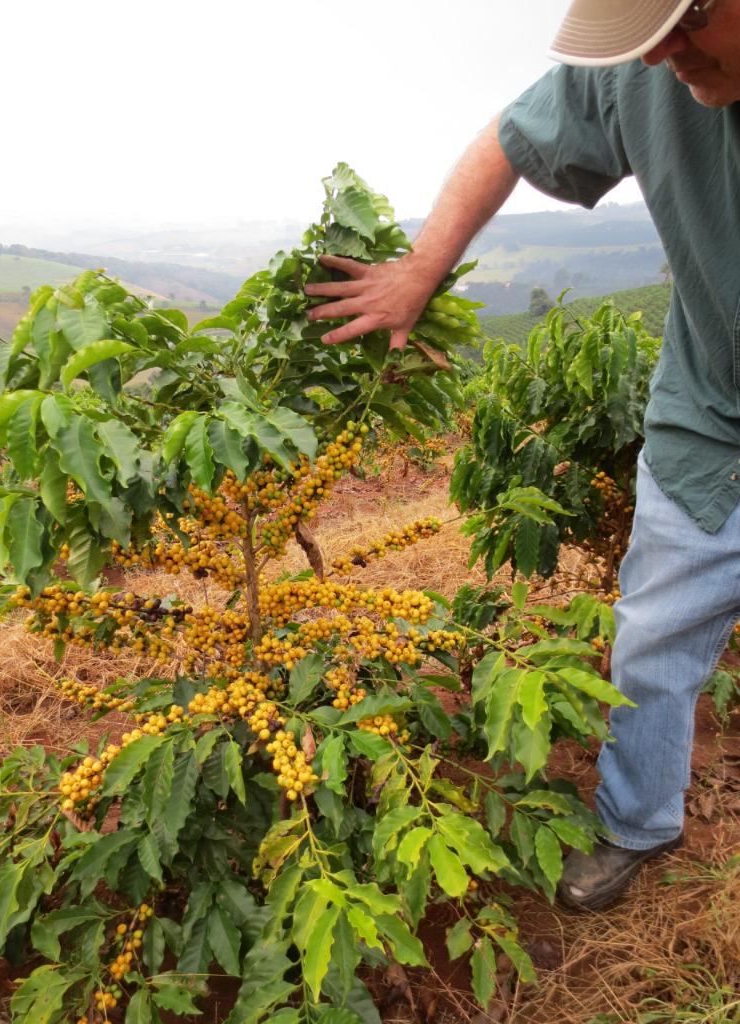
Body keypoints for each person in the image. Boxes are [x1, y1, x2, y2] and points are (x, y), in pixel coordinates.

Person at [304, 0, 740, 911]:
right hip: (712, 418)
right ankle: (637, 824)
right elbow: (509, 137)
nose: (664, 55)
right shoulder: (644, 65)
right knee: (654, 635)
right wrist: (420, 269)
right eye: (640, 37)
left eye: (687, 23)